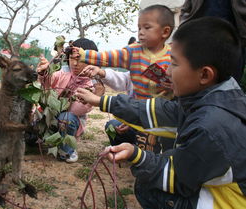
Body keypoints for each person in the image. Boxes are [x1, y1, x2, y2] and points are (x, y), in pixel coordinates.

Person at [76, 17, 246, 209]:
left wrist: (138, 156)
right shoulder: (215, 98)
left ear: (205, 75)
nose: (166, 70)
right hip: (211, 180)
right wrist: (101, 101)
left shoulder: (211, 128)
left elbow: (176, 177)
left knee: (150, 187)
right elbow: (161, 112)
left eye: (173, 63)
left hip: (229, 203)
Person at [73, 5, 176, 153]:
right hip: (141, 113)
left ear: (165, 32)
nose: (141, 32)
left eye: (147, 27)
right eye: (139, 28)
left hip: (164, 114)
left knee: (169, 151)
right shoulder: (133, 52)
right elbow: (109, 57)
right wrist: (84, 55)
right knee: (146, 149)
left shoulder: (173, 56)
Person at [37, 38, 104, 163]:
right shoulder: (63, 73)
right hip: (51, 116)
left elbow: (76, 110)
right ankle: (41, 140)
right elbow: (49, 82)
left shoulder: (90, 84)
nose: (75, 63)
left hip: (70, 120)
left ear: (92, 62)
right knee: (36, 117)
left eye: (80, 59)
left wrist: (91, 99)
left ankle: (67, 150)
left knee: (66, 118)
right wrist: (45, 73)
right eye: (72, 58)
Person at [180, 0, 246, 83]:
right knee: (198, 83)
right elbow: (187, 7)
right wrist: (183, 24)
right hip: (200, 42)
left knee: (228, 85)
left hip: (231, 44)